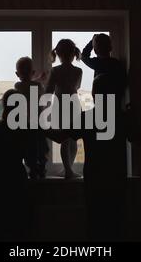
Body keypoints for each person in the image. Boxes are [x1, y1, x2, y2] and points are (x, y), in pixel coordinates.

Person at [45, 73, 128, 241]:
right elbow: (137, 137)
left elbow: (60, 137)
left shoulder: (87, 117)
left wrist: (39, 126)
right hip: (117, 177)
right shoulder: (122, 117)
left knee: (95, 225)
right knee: (117, 224)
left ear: (94, 94)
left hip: (95, 178)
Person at [0, 89, 30, 241]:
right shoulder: (25, 128)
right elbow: (31, 158)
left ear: (4, 105)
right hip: (17, 179)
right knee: (17, 227)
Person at [46, 39, 83, 179]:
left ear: (59, 54)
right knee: (73, 138)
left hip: (60, 105)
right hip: (74, 104)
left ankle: (67, 170)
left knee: (64, 138)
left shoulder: (55, 70)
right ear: (74, 54)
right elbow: (77, 87)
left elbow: (49, 90)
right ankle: (69, 169)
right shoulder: (78, 71)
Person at [14, 57, 49, 179]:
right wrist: (39, 78)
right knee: (41, 148)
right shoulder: (38, 85)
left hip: (25, 124)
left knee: (29, 150)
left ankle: (33, 170)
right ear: (33, 72)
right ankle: (42, 170)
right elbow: (36, 87)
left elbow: (26, 85)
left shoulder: (17, 86)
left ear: (17, 74)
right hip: (38, 123)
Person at [82, 34, 127, 103]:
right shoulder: (117, 63)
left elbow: (84, 56)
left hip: (100, 104)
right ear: (110, 48)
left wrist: (92, 41)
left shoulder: (96, 63)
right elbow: (123, 84)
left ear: (95, 51)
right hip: (115, 103)